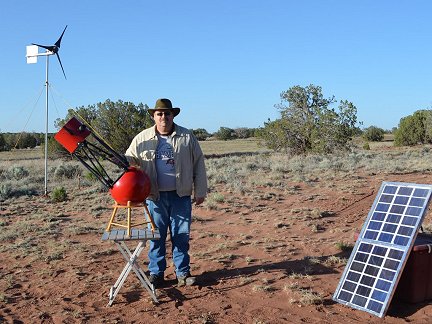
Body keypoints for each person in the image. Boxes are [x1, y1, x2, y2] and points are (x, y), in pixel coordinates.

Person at [125, 98, 208, 287]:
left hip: (181, 195)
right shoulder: (142, 138)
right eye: (160, 114)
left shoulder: (187, 137)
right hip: (154, 197)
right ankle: (157, 273)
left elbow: (198, 164)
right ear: (154, 116)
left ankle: (183, 273)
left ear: (173, 115)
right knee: (156, 236)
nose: (164, 117)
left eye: (167, 113)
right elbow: (129, 161)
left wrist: (200, 190)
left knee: (181, 235)